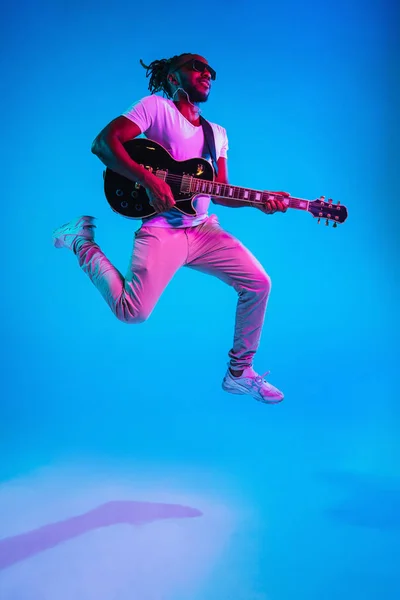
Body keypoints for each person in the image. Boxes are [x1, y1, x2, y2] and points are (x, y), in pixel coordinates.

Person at [52, 53, 288, 404]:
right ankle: (80, 241)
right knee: (132, 312)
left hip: (204, 229)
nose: (207, 72)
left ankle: (240, 373)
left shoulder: (217, 135)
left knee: (259, 283)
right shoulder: (154, 108)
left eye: (210, 70)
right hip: (163, 228)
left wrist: (259, 201)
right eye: (196, 66)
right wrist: (147, 180)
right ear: (173, 78)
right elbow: (103, 144)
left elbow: (220, 191)